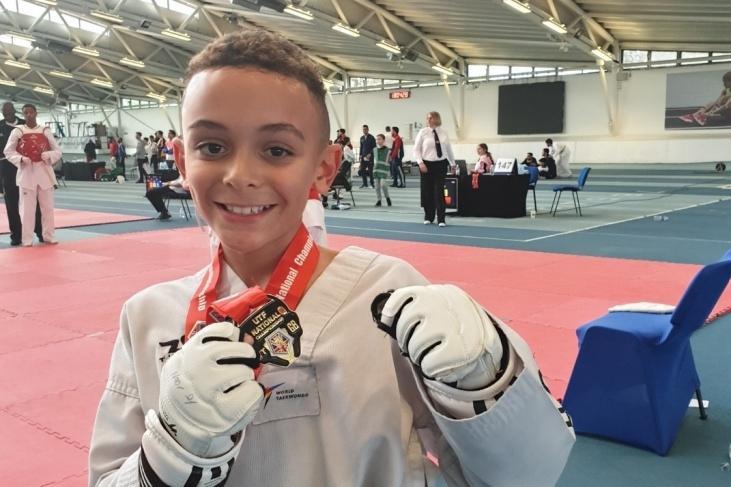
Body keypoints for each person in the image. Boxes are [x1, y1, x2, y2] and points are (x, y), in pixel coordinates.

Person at [88, 29, 574, 487]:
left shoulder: (387, 294)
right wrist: (170, 454)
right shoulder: (147, 318)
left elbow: (527, 475)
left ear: (324, 169)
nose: (239, 174)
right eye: (212, 147)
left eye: (276, 150)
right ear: (181, 160)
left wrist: (485, 382)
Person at [3, 103, 62, 246]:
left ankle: (48, 235)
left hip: (44, 172)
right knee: (26, 209)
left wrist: (48, 155)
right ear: (23, 114)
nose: (29, 115)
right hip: (26, 172)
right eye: (26, 113)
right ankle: (26, 239)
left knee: (47, 208)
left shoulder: (45, 130)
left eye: (31, 112)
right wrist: (20, 159)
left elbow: (58, 151)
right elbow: (8, 151)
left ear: (36, 113)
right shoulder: (18, 131)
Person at [0, 102, 43, 246]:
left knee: (34, 200)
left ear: (14, 111)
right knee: (11, 203)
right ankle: (16, 235)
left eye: (9, 111)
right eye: (4, 112)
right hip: (7, 168)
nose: (7, 114)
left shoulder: (25, 125)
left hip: (27, 166)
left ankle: (40, 231)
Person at [414, 111, 455, 227]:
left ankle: (441, 218)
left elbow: (448, 149)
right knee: (427, 191)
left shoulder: (443, 133)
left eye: (430, 118)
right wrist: (420, 163)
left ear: (436, 119)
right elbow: (416, 149)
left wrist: (452, 163)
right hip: (426, 164)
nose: (428, 120)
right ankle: (429, 216)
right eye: (427, 118)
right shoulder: (423, 132)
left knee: (439, 191)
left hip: (441, 164)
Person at [373, 133, 392, 207]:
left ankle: (387, 197)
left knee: (383, 184)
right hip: (376, 170)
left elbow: (389, 160)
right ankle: (379, 200)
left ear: (383, 140)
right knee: (377, 186)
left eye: (379, 139)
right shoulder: (374, 150)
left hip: (384, 170)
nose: (378, 141)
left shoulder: (388, 150)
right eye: (377, 139)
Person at [358, 124, 376, 188]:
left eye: (365, 129)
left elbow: (374, 147)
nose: (364, 130)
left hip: (370, 157)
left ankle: (372, 183)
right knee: (362, 170)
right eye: (363, 129)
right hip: (363, 157)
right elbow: (361, 147)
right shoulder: (362, 138)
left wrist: (370, 154)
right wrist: (360, 155)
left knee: (370, 171)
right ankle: (365, 183)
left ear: (368, 130)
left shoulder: (372, 137)